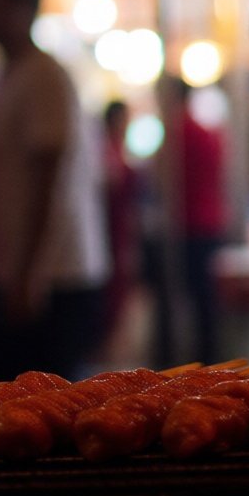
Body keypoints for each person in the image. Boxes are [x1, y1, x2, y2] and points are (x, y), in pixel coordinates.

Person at [0, 0, 110, 381]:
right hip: (22, 274)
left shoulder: (42, 75)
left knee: (37, 413)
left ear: (23, 3)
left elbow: (49, 177)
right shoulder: (5, 75)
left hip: (50, 279)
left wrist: (28, 276)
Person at [170, 80, 226, 364]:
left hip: (188, 225)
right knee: (205, 301)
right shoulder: (205, 133)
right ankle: (208, 358)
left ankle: (193, 362)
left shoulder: (176, 135)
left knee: (189, 298)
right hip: (209, 221)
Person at [99, 100, 142, 359]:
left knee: (121, 287)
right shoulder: (107, 152)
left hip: (121, 228)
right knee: (114, 288)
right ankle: (107, 349)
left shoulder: (115, 151)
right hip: (112, 231)